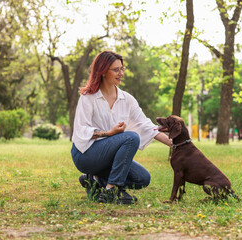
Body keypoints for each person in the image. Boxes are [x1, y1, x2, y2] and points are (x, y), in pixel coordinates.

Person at [71, 50, 172, 205]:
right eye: (116, 70)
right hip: (85, 154)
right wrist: (109, 133)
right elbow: (80, 130)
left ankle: (95, 180)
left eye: (122, 69)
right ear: (103, 71)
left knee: (142, 178)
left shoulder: (127, 99)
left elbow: (146, 125)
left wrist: (175, 143)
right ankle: (111, 190)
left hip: (109, 157)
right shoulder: (88, 97)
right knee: (131, 138)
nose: (121, 73)